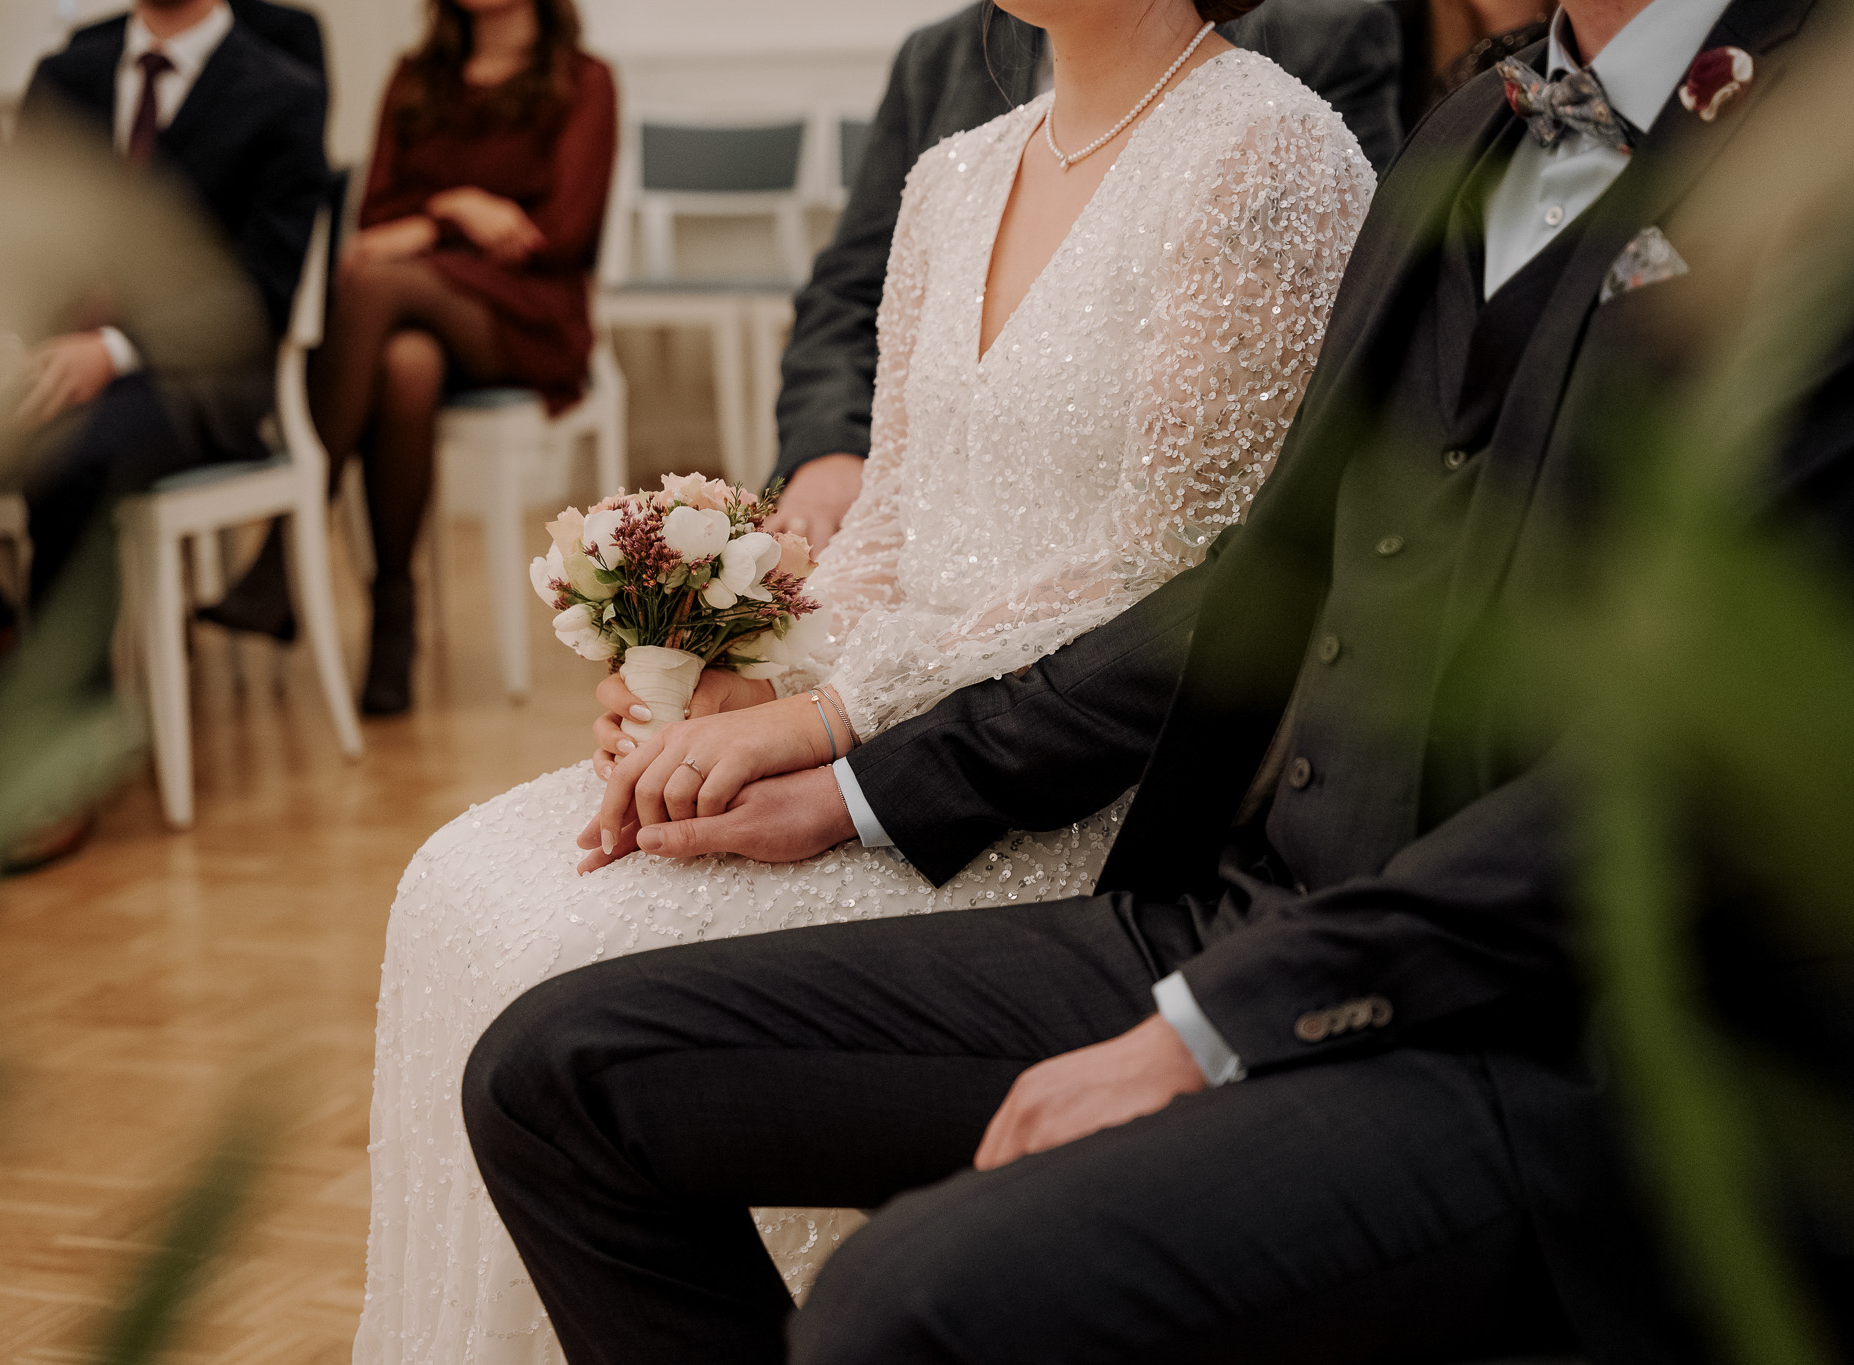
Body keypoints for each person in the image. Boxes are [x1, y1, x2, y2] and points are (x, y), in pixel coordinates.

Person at [459, 0, 1847, 1357]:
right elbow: (1262, 582)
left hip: (1575, 1032)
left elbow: (1707, 772)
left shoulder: (1820, 157)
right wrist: (866, 785)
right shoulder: (1476, 126)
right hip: (1254, 908)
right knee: (559, 1077)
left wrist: (1219, 1022)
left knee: (900, 1304)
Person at [359, 0, 1373, 1358]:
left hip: (1072, 778)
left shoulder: (1267, 153)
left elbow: (1167, 578)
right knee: (459, 885)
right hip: (898, 702)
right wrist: (736, 676)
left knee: (571, 948)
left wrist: (830, 721)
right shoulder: (954, 172)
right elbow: (890, 524)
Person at [766, 0, 1405, 548]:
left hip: (1127, 627)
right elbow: (853, 286)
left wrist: (880, 674)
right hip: (915, 579)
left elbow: (1179, 541)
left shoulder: (1278, 137)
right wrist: (829, 453)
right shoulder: (949, 159)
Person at [203, 0, 615, 716]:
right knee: (405, 366)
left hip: (529, 312)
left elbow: (560, 234)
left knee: (374, 287)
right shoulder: (417, 77)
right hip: (419, 308)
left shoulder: (583, 80)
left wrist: (431, 230)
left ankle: (284, 555)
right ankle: (393, 621)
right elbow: (376, 222)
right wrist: (457, 209)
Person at [5, 0, 327, 863]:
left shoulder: (280, 91)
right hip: (47, 354)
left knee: (71, 457)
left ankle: (64, 757)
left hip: (198, 379)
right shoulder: (65, 74)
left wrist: (114, 350)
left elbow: (259, 293)